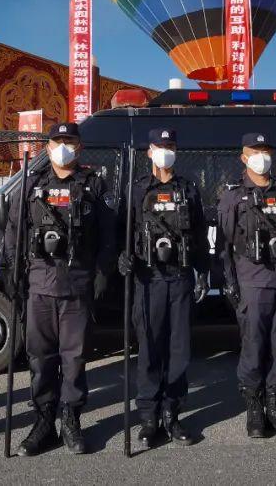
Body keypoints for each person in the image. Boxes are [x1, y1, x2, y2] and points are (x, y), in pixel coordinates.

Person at [4, 122, 117, 456]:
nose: (63, 147)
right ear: (48, 147)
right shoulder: (31, 184)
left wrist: (101, 272)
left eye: (69, 141)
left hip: (77, 284)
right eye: (57, 141)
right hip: (38, 284)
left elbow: (109, 237)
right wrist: (13, 269)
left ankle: (71, 418)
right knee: (40, 358)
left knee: (75, 358)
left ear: (79, 147)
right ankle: (43, 422)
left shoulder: (94, 185)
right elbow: (13, 230)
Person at [118, 127, 208, 448]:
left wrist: (203, 271)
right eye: (160, 145)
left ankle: (172, 414)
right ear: (149, 151)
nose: (166, 150)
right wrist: (123, 257)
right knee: (150, 350)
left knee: (179, 350)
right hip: (149, 279)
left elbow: (199, 234)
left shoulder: (189, 189)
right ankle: (148, 418)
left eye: (171, 145)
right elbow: (121, 232)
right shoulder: (137, 190)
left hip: (180, 278)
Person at [217, 132, 276, 439]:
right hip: (252, 284)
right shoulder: (233, 196)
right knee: (254, 348)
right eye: (255, 151)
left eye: (266, 150)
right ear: (243, 158)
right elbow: (225, 247)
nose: (262, 156)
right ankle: (254, 409)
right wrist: (230, 284)